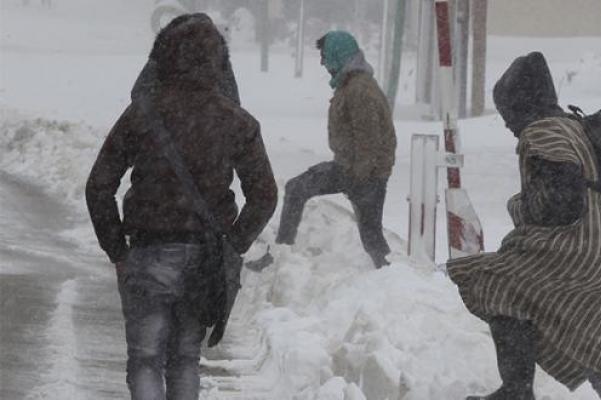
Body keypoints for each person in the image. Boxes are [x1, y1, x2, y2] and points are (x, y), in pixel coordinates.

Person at [85, 14, 278, 399]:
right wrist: (233, 244)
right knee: (185, 359)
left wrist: (117, 249)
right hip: (206, 257)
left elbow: (98, 186)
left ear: (163, 57)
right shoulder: (235, 121)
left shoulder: (143, 113)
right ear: (218, 62)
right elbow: (265, 194)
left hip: (149, 249)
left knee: (144, 358)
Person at [447, 52, 601, 400]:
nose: (507, 125)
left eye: (507, 113)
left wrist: (520, 205)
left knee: (493, 277)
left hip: (594, 257)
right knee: (587, 330)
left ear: (521, 104)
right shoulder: (581, 127)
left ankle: (516, 390)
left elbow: (561, 202)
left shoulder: (543, 131)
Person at [275, 30, 396, 268]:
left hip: (362, 173)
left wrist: (358, 180)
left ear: (338, 56)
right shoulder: (352, 84)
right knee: (372, 237)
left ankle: (282, 253)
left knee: (297, 189)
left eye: (325, 56)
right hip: (358, 170)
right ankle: (389, 275)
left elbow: (369, 140)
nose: (322, 63)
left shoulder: (359, 90)